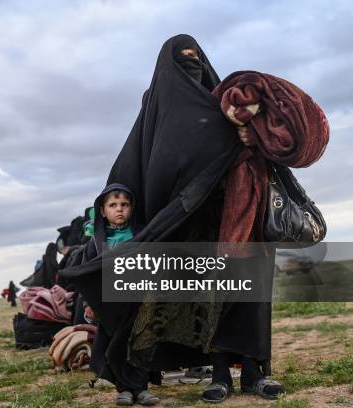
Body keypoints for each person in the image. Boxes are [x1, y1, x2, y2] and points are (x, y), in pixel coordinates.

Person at [60, 34, 285, 406]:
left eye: (196, 56)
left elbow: (266, 142)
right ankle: (218, 377)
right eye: (183, 59)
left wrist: (250, 136)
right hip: (190, 222)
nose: (191, 63)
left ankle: (254, 374)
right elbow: (145, 166)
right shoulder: (157, 108)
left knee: (251, 297)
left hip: (244, 214)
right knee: (207, 301)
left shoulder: (224, 105)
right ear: (167, 66)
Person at [81, 184, 158, 406]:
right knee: (115, 347)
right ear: (103, 211)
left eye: (124, 204)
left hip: (138, 302)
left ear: (131, 208)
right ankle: (123, 389)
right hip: (110, 305)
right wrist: (89, 302)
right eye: (113, 205)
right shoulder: (96, 243)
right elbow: (88, 275)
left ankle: (142, 389)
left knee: (141, 345)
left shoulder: (142, 235)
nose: (119, 209)